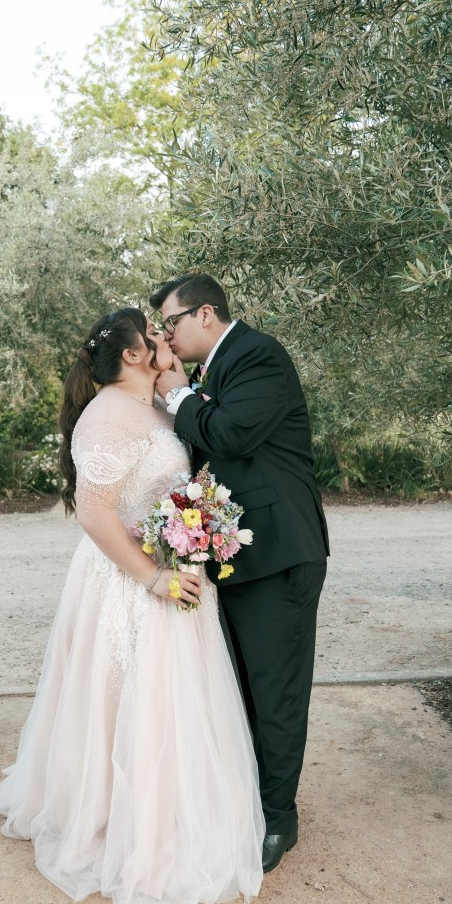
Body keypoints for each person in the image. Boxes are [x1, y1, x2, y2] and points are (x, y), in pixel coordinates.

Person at [0, 307, 264, 904]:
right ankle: (118, 821)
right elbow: (94, 513)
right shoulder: (108, 416)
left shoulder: (156, 406)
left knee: (169, 703)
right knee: (124, 702)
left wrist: (197, 532)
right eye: (156, 334)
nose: (167, 338)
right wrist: (155, 577)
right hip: (128, 583)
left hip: (172, 569)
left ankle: (169, 809)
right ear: (135, 356)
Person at [152, 274, 330, 873]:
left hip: (279, 555)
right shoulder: (208, 373)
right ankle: (249, 804)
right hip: (234, 558)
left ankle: (278, 819)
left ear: (206, 314)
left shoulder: (260, 356)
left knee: (276, 692)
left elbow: (229, 432)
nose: (167, 336)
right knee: (243, 690)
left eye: (171, 323)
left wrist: (179, 398)